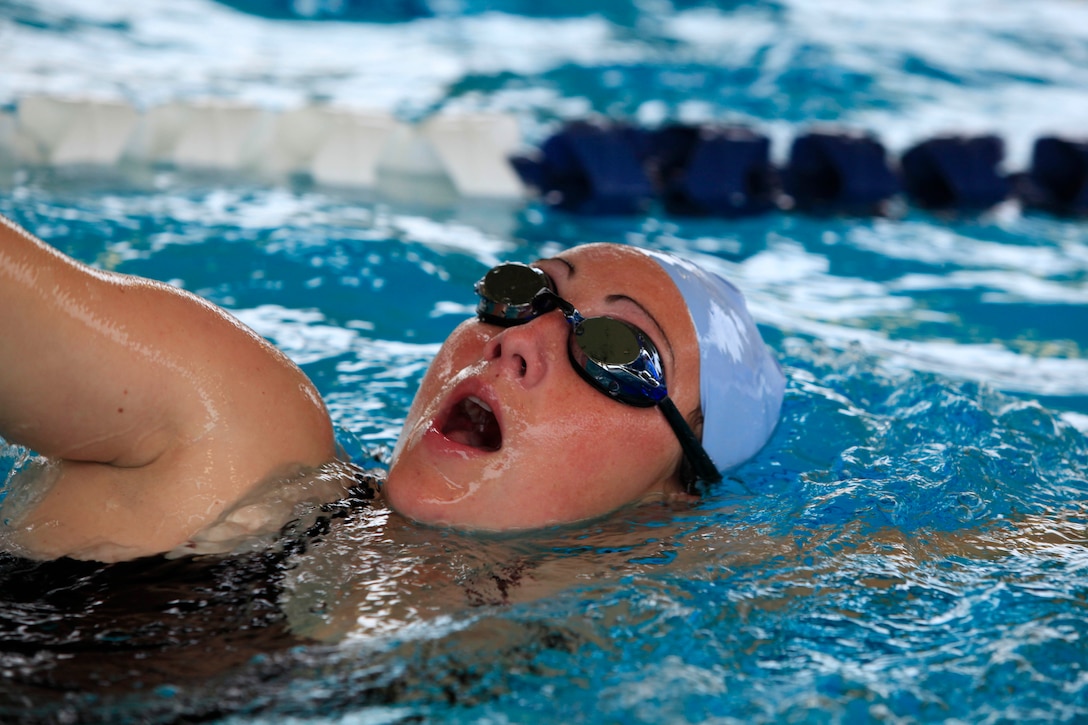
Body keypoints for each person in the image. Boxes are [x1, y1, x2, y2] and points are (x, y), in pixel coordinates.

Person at [0, 213, 785, 562]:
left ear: (674, 490)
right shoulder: (234, 438)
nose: (517, 338)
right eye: (526, 290)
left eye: (618, 348)